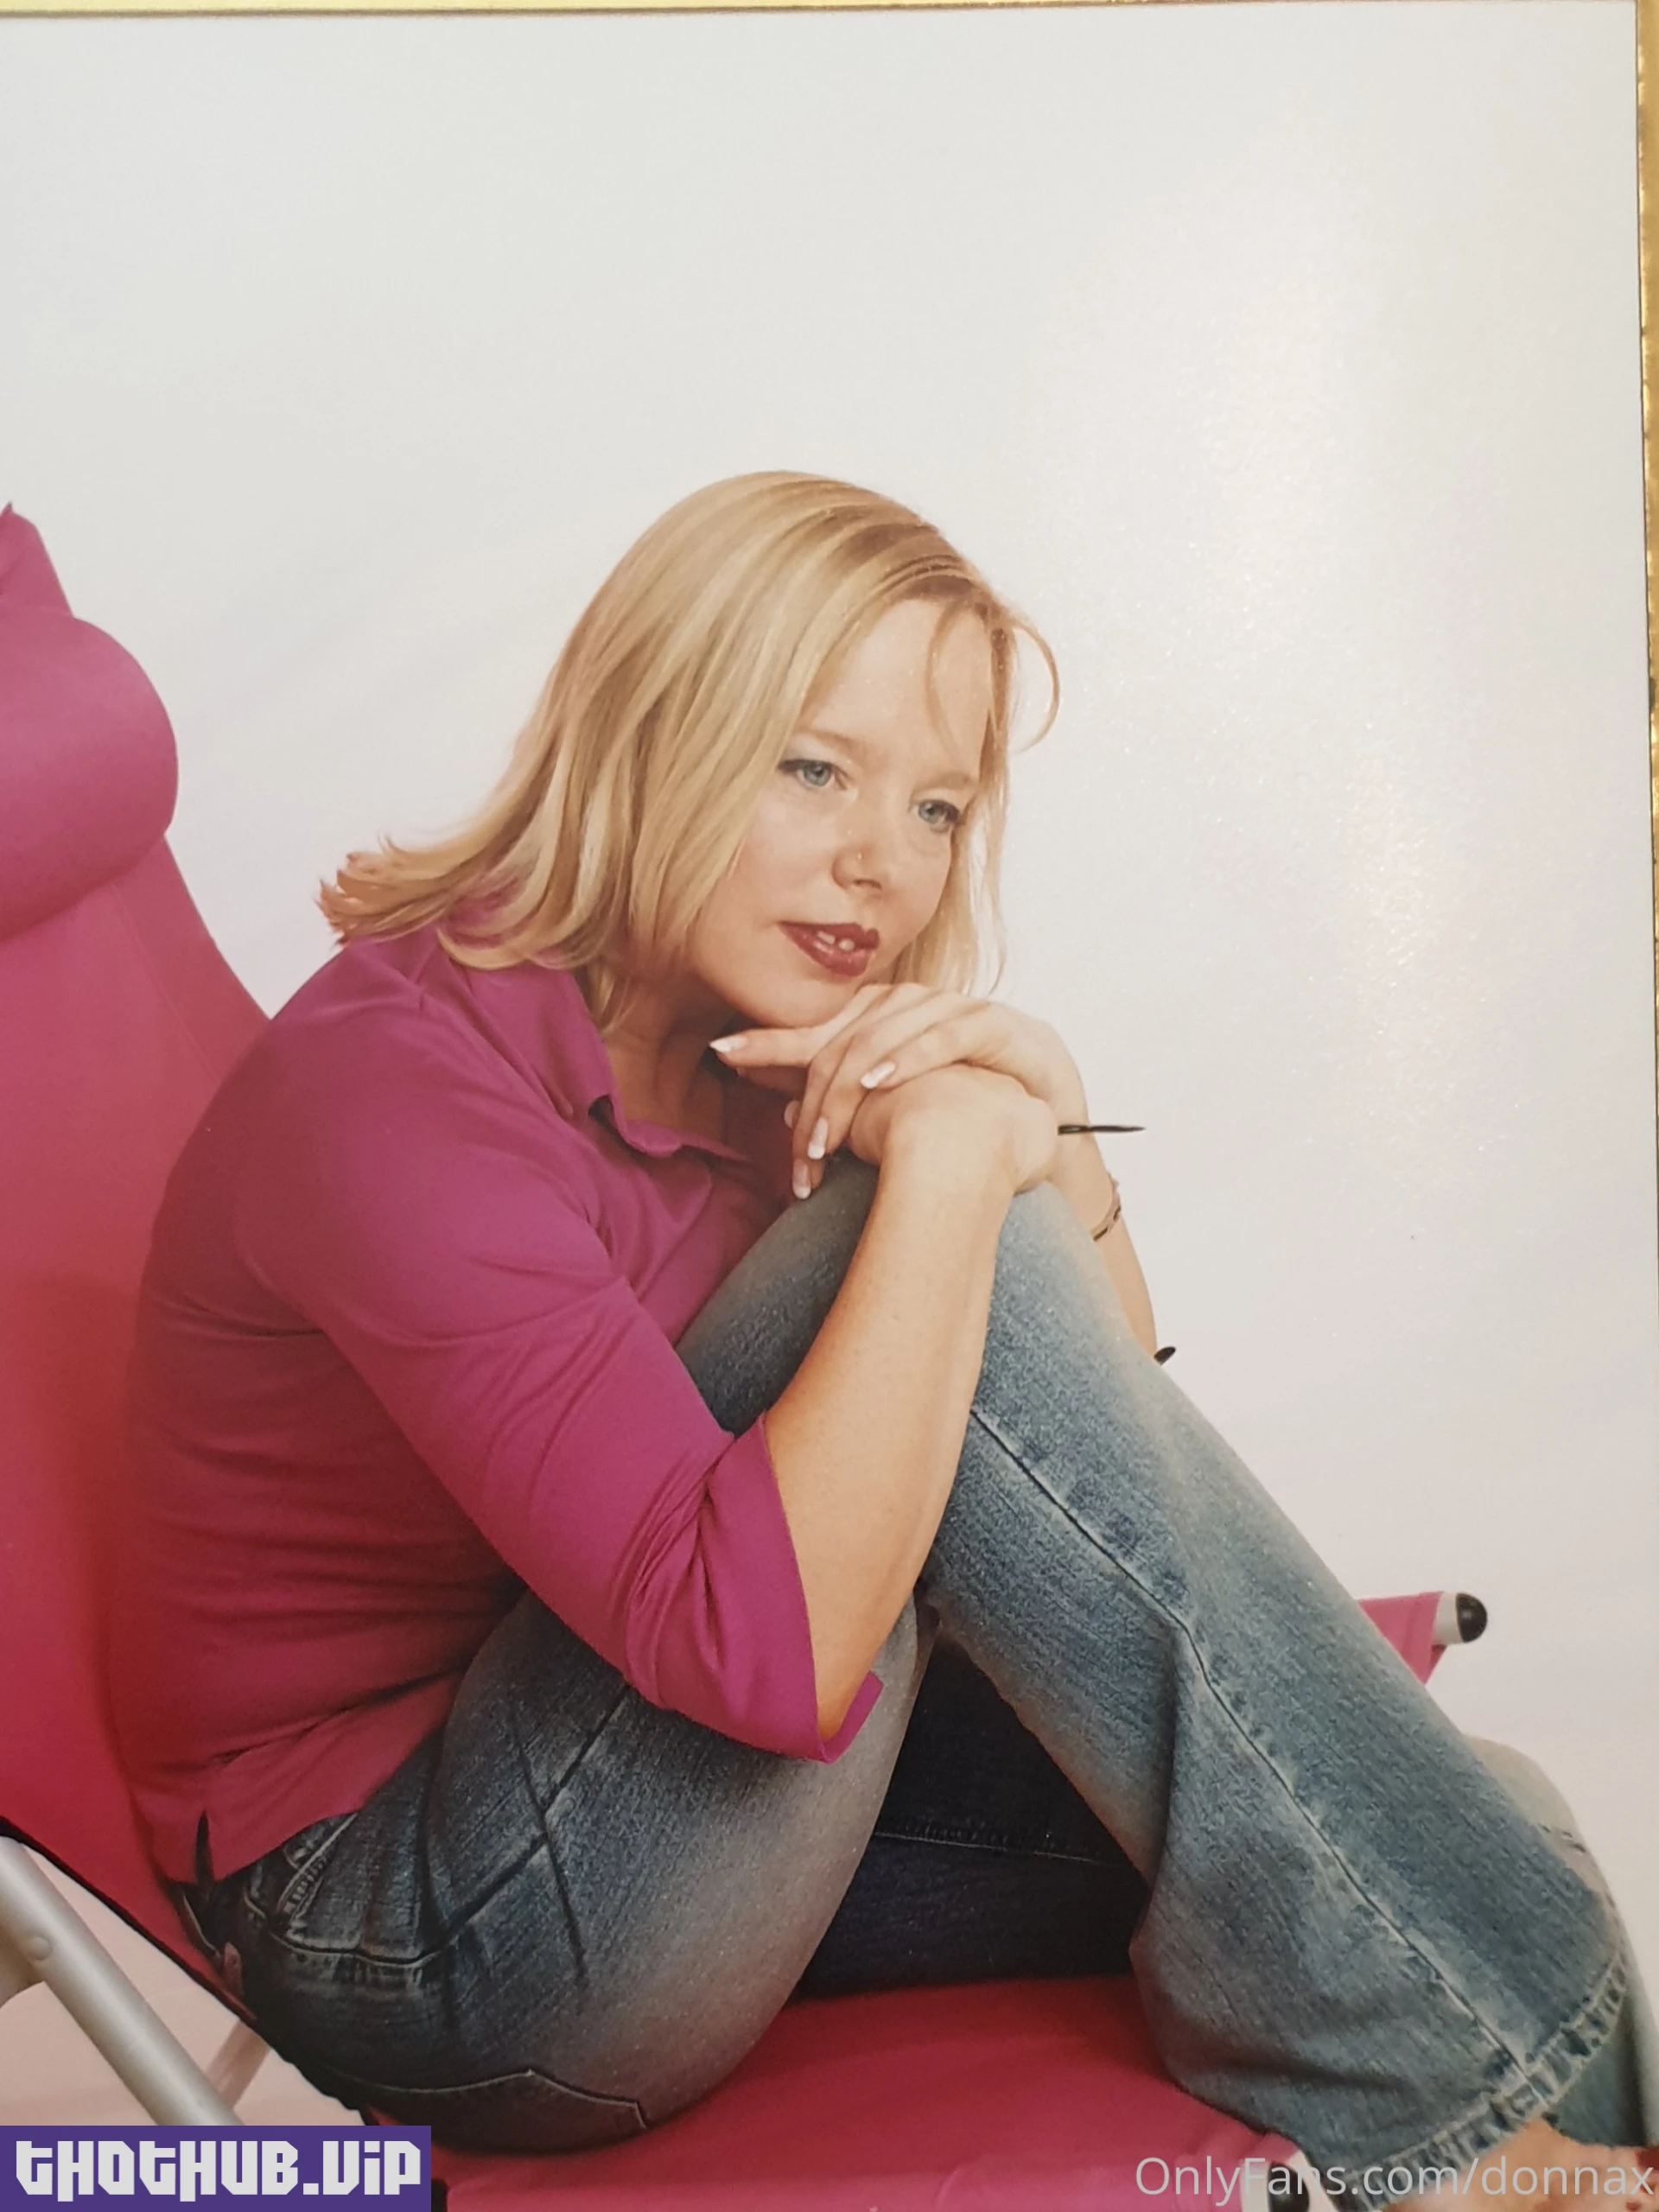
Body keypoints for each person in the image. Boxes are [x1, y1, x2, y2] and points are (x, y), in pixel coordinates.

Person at [110, 472, 1655, 2210]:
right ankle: (1457, 2145)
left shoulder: (767, 1035)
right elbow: (770, 1657)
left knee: (1489, 1821)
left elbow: (1094, 1453)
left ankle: (1538, 2167)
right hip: (415, 1922)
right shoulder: (394, 1093)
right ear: (650, 727)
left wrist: (1049, 1130)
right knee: (921, 1239)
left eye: (935, 806)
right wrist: (951, 1172)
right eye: (813, 770)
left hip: (631, 1750)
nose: (884, 863)